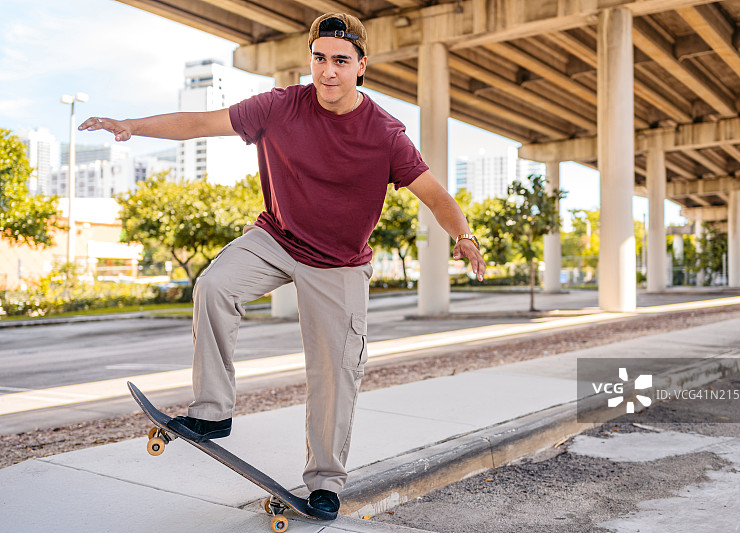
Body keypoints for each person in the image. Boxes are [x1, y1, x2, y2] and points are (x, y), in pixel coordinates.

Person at [79, 12, 486, 520]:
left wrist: (463, 235)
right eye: (319, 59)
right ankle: (211, 412)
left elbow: (435, 195)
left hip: (338, 264)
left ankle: (324, 483)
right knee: (214, 285)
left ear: (362, 66)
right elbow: (202, 123)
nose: (328, 71)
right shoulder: (278, 106)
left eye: (341, 61)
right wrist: (132, 126)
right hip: (276, 237)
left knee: (334, 375)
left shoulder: (385, 133)